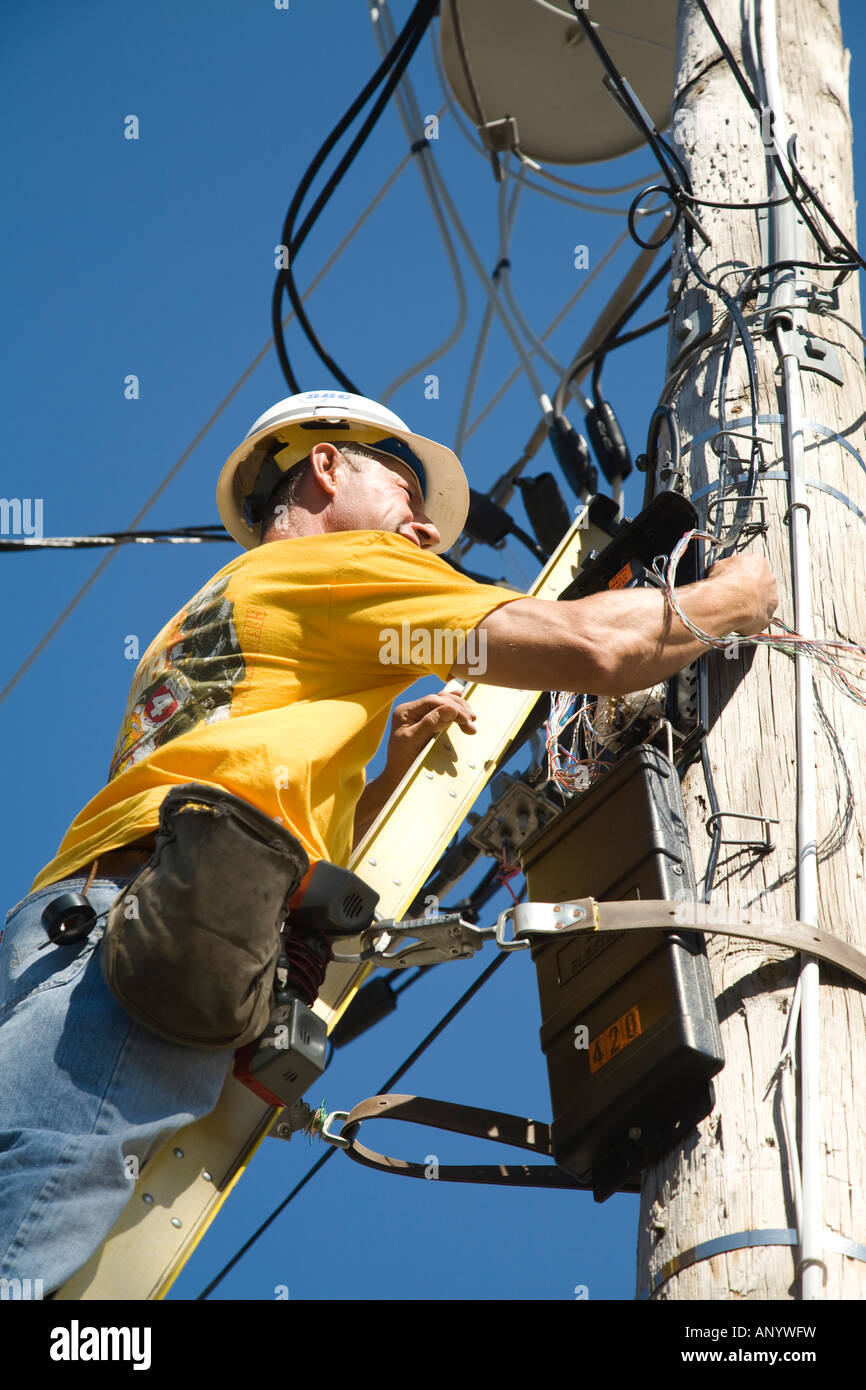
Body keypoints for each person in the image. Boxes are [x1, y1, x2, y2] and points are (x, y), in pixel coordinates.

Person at [0, 391, 778, 1293]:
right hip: (151, 936)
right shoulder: (346, 569)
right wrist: (735, 596)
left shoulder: (222, 609)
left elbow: (246, 795)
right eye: (406, 492)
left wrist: (375, 784)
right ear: (328, 466)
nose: (425, 530)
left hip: (63, 927)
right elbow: (586, 646)